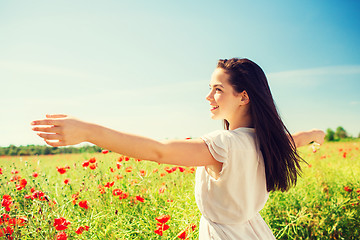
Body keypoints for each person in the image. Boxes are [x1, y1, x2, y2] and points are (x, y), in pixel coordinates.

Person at [31, 58, 325, 239]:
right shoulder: (268, 140)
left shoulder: (224, 144)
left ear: (243, 97)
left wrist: (87, 131)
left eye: (217, 89)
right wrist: (316, 134)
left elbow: (160, 151)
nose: (208, 95)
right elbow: (298, 137)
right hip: (255, 233)